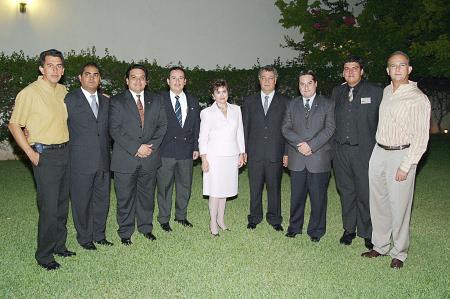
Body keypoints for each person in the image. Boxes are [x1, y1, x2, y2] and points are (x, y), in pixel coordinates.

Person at [362, 51, 430, 269]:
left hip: (402, 153)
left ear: (409, 69)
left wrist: (406, 165)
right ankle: (380, 245)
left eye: (402, 65)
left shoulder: (418, 98)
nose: (397, 69)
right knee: (378, 202)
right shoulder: (387, 91)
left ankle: (399, 252)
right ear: (387, 71)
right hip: (379, 151)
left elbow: (421, 138)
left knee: (399, 205)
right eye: (393, 66)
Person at [8, 49, 75, 270]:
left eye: (59, 66)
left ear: (63, 70)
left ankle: (59, 246)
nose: (55, 70)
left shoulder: (64, 91)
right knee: (49, 208)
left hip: (66, 152)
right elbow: (14, 124)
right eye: (50, 65)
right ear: (41, 68)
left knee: (62, 204)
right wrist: (30, 153)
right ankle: (44, 256)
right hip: (45, 155)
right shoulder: (30, 92)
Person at [109, 64, 167, 245]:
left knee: (147, 196)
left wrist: (150, 147)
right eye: (133, 77)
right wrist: (136, 148)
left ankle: (145, 227)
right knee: (125, 198)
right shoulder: (117, 101)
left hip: (150, 157)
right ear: (127, 81)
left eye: (142, 77)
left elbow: (162, 125)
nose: (138, 81)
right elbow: (114, 129)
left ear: (146, 81)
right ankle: (125, 232)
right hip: (125, 159)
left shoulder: (156, 100)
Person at [331, 56, 383, 250]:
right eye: (346, 68)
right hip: (341, 152)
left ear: (362, 71)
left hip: (365, 152)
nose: (350, 71)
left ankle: (368, 232)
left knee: (365, 192)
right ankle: (349, 229)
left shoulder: (376, 92)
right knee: (346, 192)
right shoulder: (337, 92)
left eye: (354, 68)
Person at [282, 71, 335, 242]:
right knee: (296, 196)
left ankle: (316, 230)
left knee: (318, 197)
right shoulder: (292, 104)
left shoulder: (328, 104)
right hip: (297, 158)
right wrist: (301, 144)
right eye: (302, 84)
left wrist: (311, 145)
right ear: (298, 86)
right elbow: (285, 128)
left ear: (316, 84)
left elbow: (330, 129)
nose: (305, 87)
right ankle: (294, 227)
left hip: (319, 158)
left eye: (309, 83)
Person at [65, 62, 113, 250]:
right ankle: (84, 238)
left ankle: (99, 234)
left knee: (102, 200)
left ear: (100, 79)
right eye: (87, 74)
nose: (92, 77)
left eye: (96, 74)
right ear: (80, 78)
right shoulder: (69, 99)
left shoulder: (107, 101)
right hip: (79, 161)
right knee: (81, 201)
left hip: (103, 160)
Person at [242, 65, 290, 232]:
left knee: (274, 188)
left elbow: (288, 130)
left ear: (275, 81)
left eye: (271, 78)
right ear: (259, 80)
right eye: (264, 78)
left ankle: (275, 218)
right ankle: (254, 217)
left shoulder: (285, 102)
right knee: (255, 188)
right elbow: (245, 128)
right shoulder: (249, 101)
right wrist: (244, 151)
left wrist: (286, 153)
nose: (267, 81)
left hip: (275, 153)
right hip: (254, 153)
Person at [199, 79, 245, 236]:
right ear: (213, 95)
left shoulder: (236, 110)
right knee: (215, 191)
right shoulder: (206, 113)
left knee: (224, 191)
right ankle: (212, 223)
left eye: (224, 91)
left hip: (231, 156)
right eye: (218, 92)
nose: (221, 95)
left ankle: (221, 220)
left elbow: (240, 133)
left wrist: (241, 152)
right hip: (214, 158)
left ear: (228, 93)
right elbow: (202, 138)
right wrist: (204, 159)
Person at [156, 66, 200, 232]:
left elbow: (197, 125)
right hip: (165, 150)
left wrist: (196, 146)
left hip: (186, 151)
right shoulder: (159, 99)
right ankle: (164, 218)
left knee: (185, 186)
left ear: (185, 81)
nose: (177, 81)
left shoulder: (193, 100)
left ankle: (181, 216)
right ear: (168, 81)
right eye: (173, 78)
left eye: (180, 78)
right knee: (164, 186)